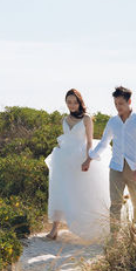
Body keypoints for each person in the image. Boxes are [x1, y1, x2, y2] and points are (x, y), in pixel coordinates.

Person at [42, 88, 112, 241]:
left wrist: (88, 160)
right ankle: (54, 229)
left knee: (83, 193)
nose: (72, 105)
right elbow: (66, 139)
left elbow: (89, 142)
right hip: (63, 158)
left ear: (80, 102)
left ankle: (93, 226)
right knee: (59, 190)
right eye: (69, 102)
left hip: (80, 158)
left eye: (74, 102)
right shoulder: (64, 120)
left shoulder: (86, 118)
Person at [83, 86, 136, 231]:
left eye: (121, 103)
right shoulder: (113, 122)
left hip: (134, 168)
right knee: (115, 203)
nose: (118, 107)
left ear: (129, 101)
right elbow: (103, 143)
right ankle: (114, 237)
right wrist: (89, 159)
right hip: (116, 167)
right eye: (115, 104)